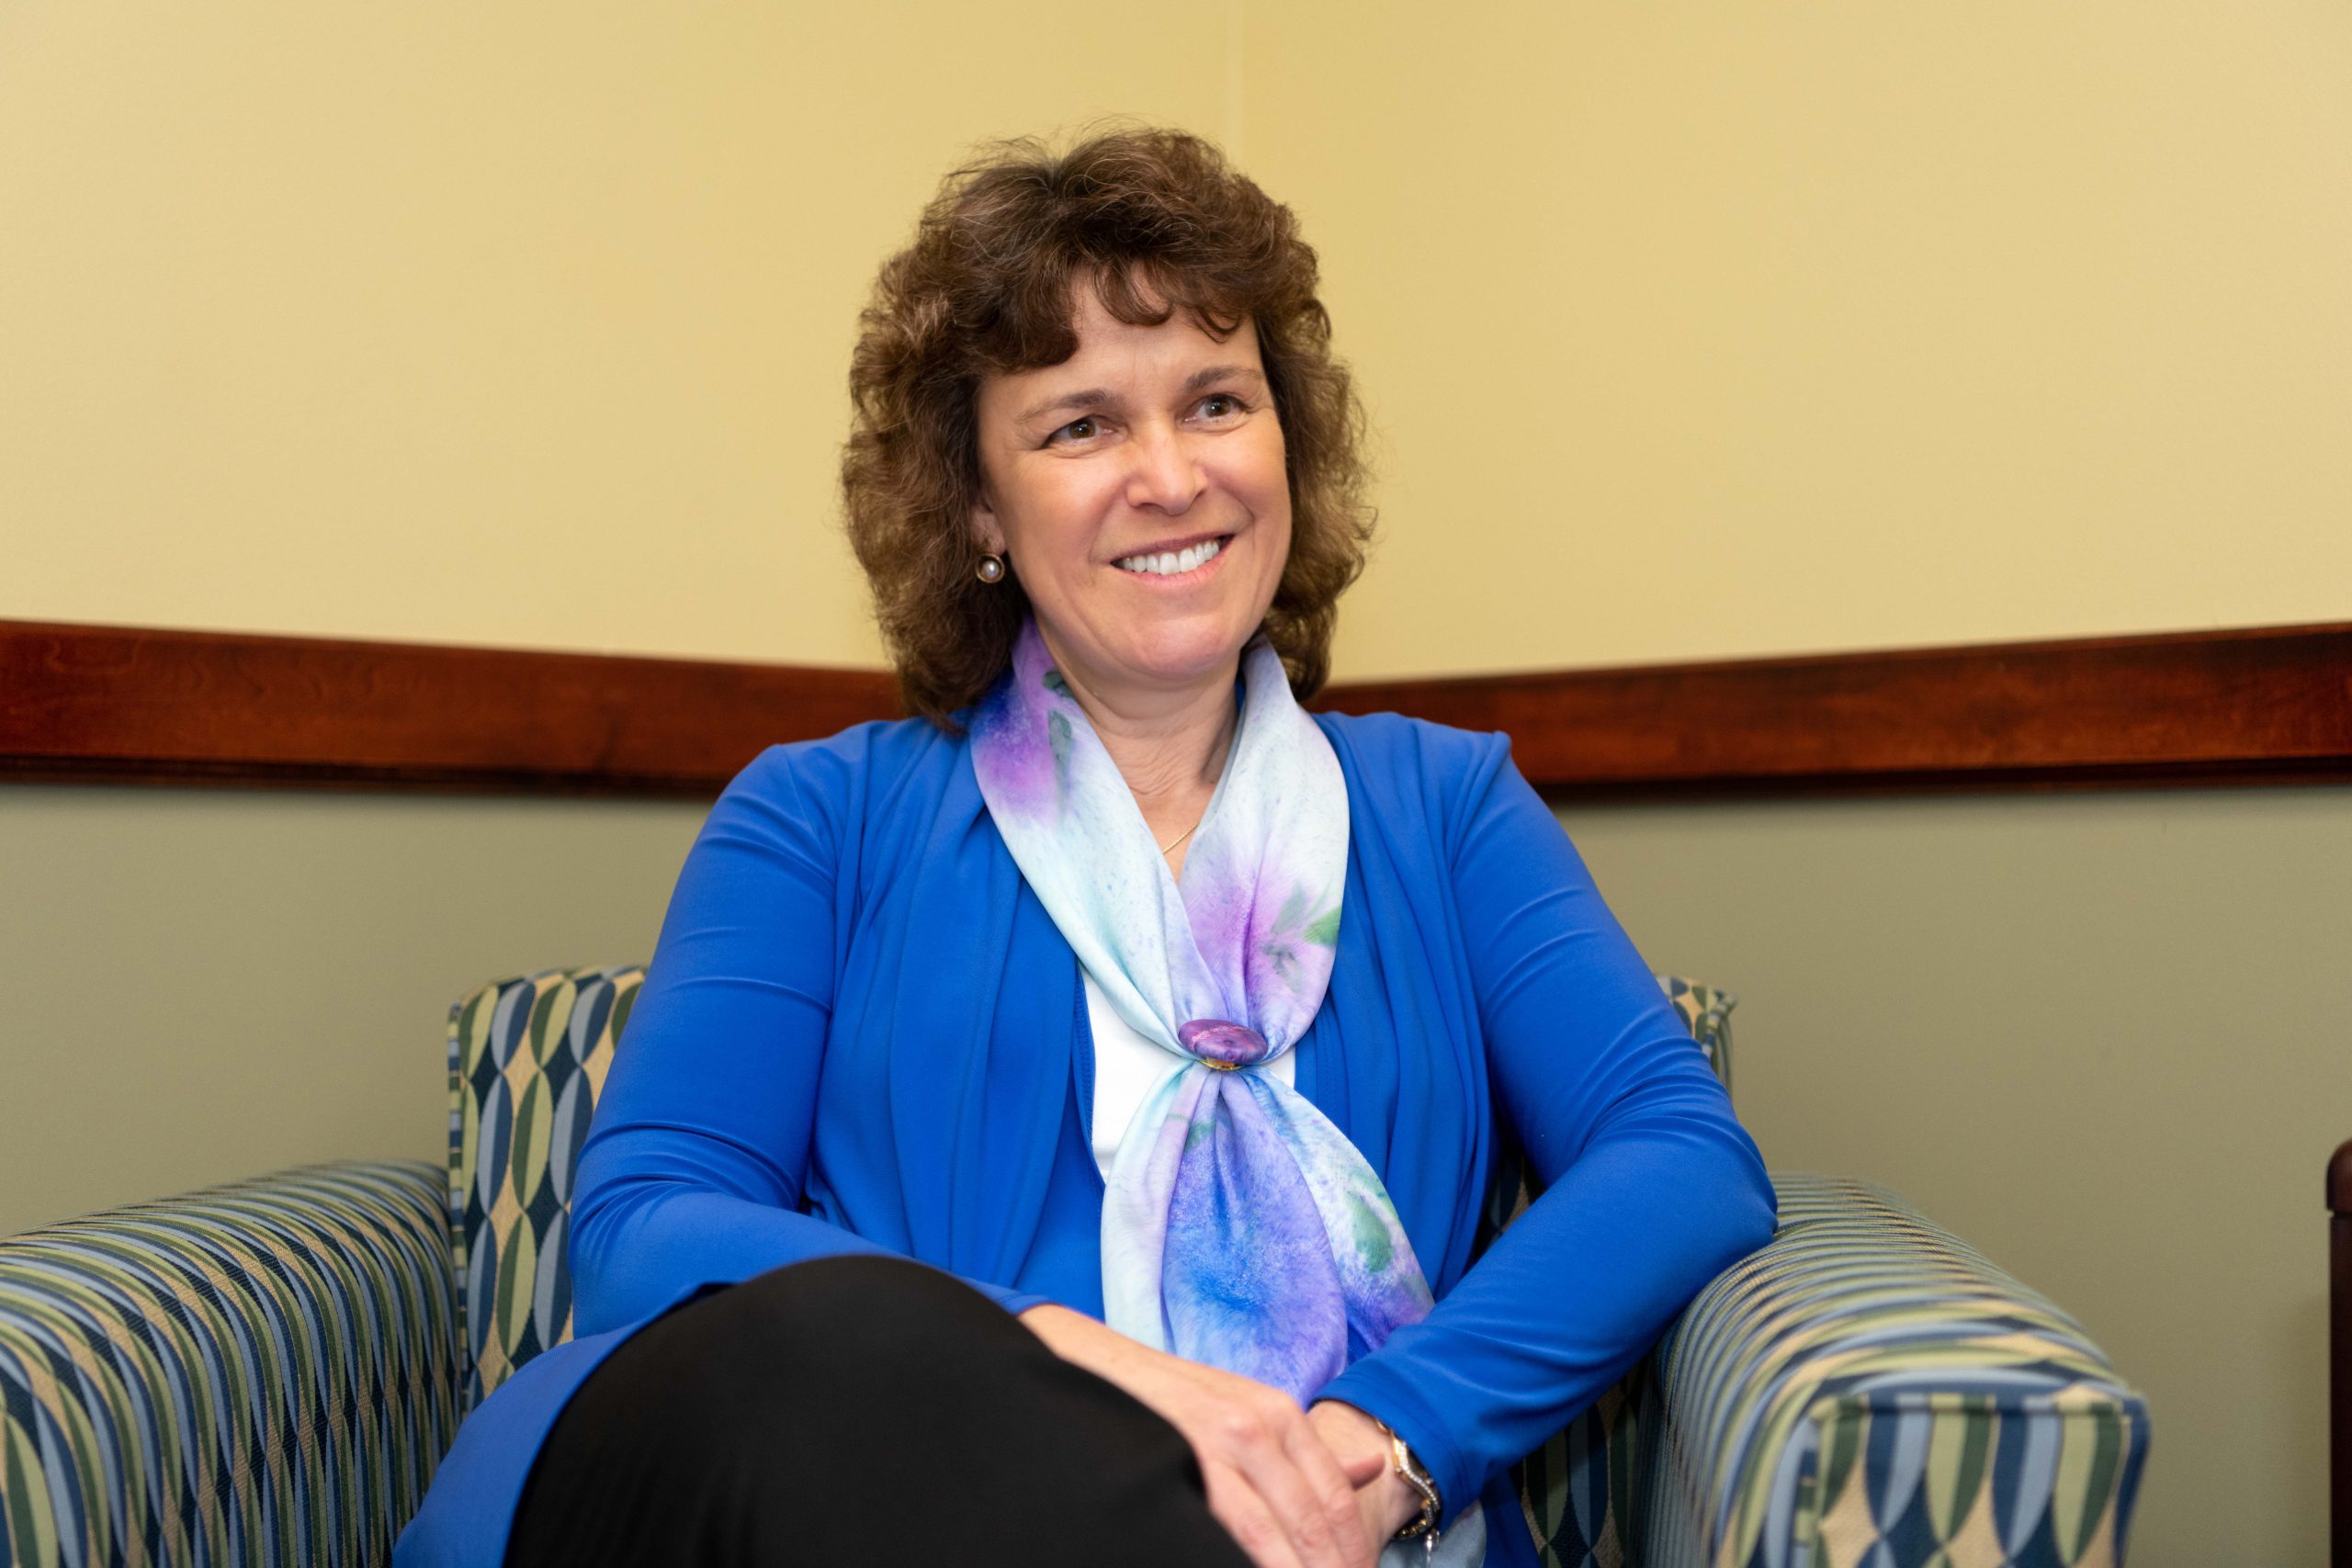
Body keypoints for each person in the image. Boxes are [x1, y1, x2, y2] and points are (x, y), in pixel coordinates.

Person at [395, 126, 1775, 1568]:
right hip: (859, 1489)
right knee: (839, 1340)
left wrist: (1378, 1448)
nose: (1171, 476)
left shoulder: (1448, 809)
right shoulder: (817, 818)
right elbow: (640, 1224)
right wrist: (1042, 1357)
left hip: (1295, 1529)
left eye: (1216, 401)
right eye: (1082, 426)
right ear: (981, 508)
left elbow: (1681, 1153)